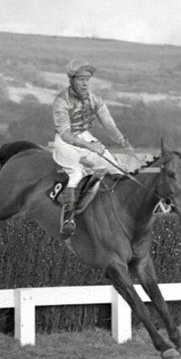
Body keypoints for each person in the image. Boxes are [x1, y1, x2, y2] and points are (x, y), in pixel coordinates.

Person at [52, 60, 131, 238]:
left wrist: (122, 140)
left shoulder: (95, 98)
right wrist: (90, 146)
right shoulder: (60, 101)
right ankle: (68, 218)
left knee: (117, 168)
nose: (85, 83)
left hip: (86, 137)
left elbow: (108, 124)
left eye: (87, 79)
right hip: (66, 142)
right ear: (71, 80)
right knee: (77, 174)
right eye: (81, 79)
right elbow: (65, 134)